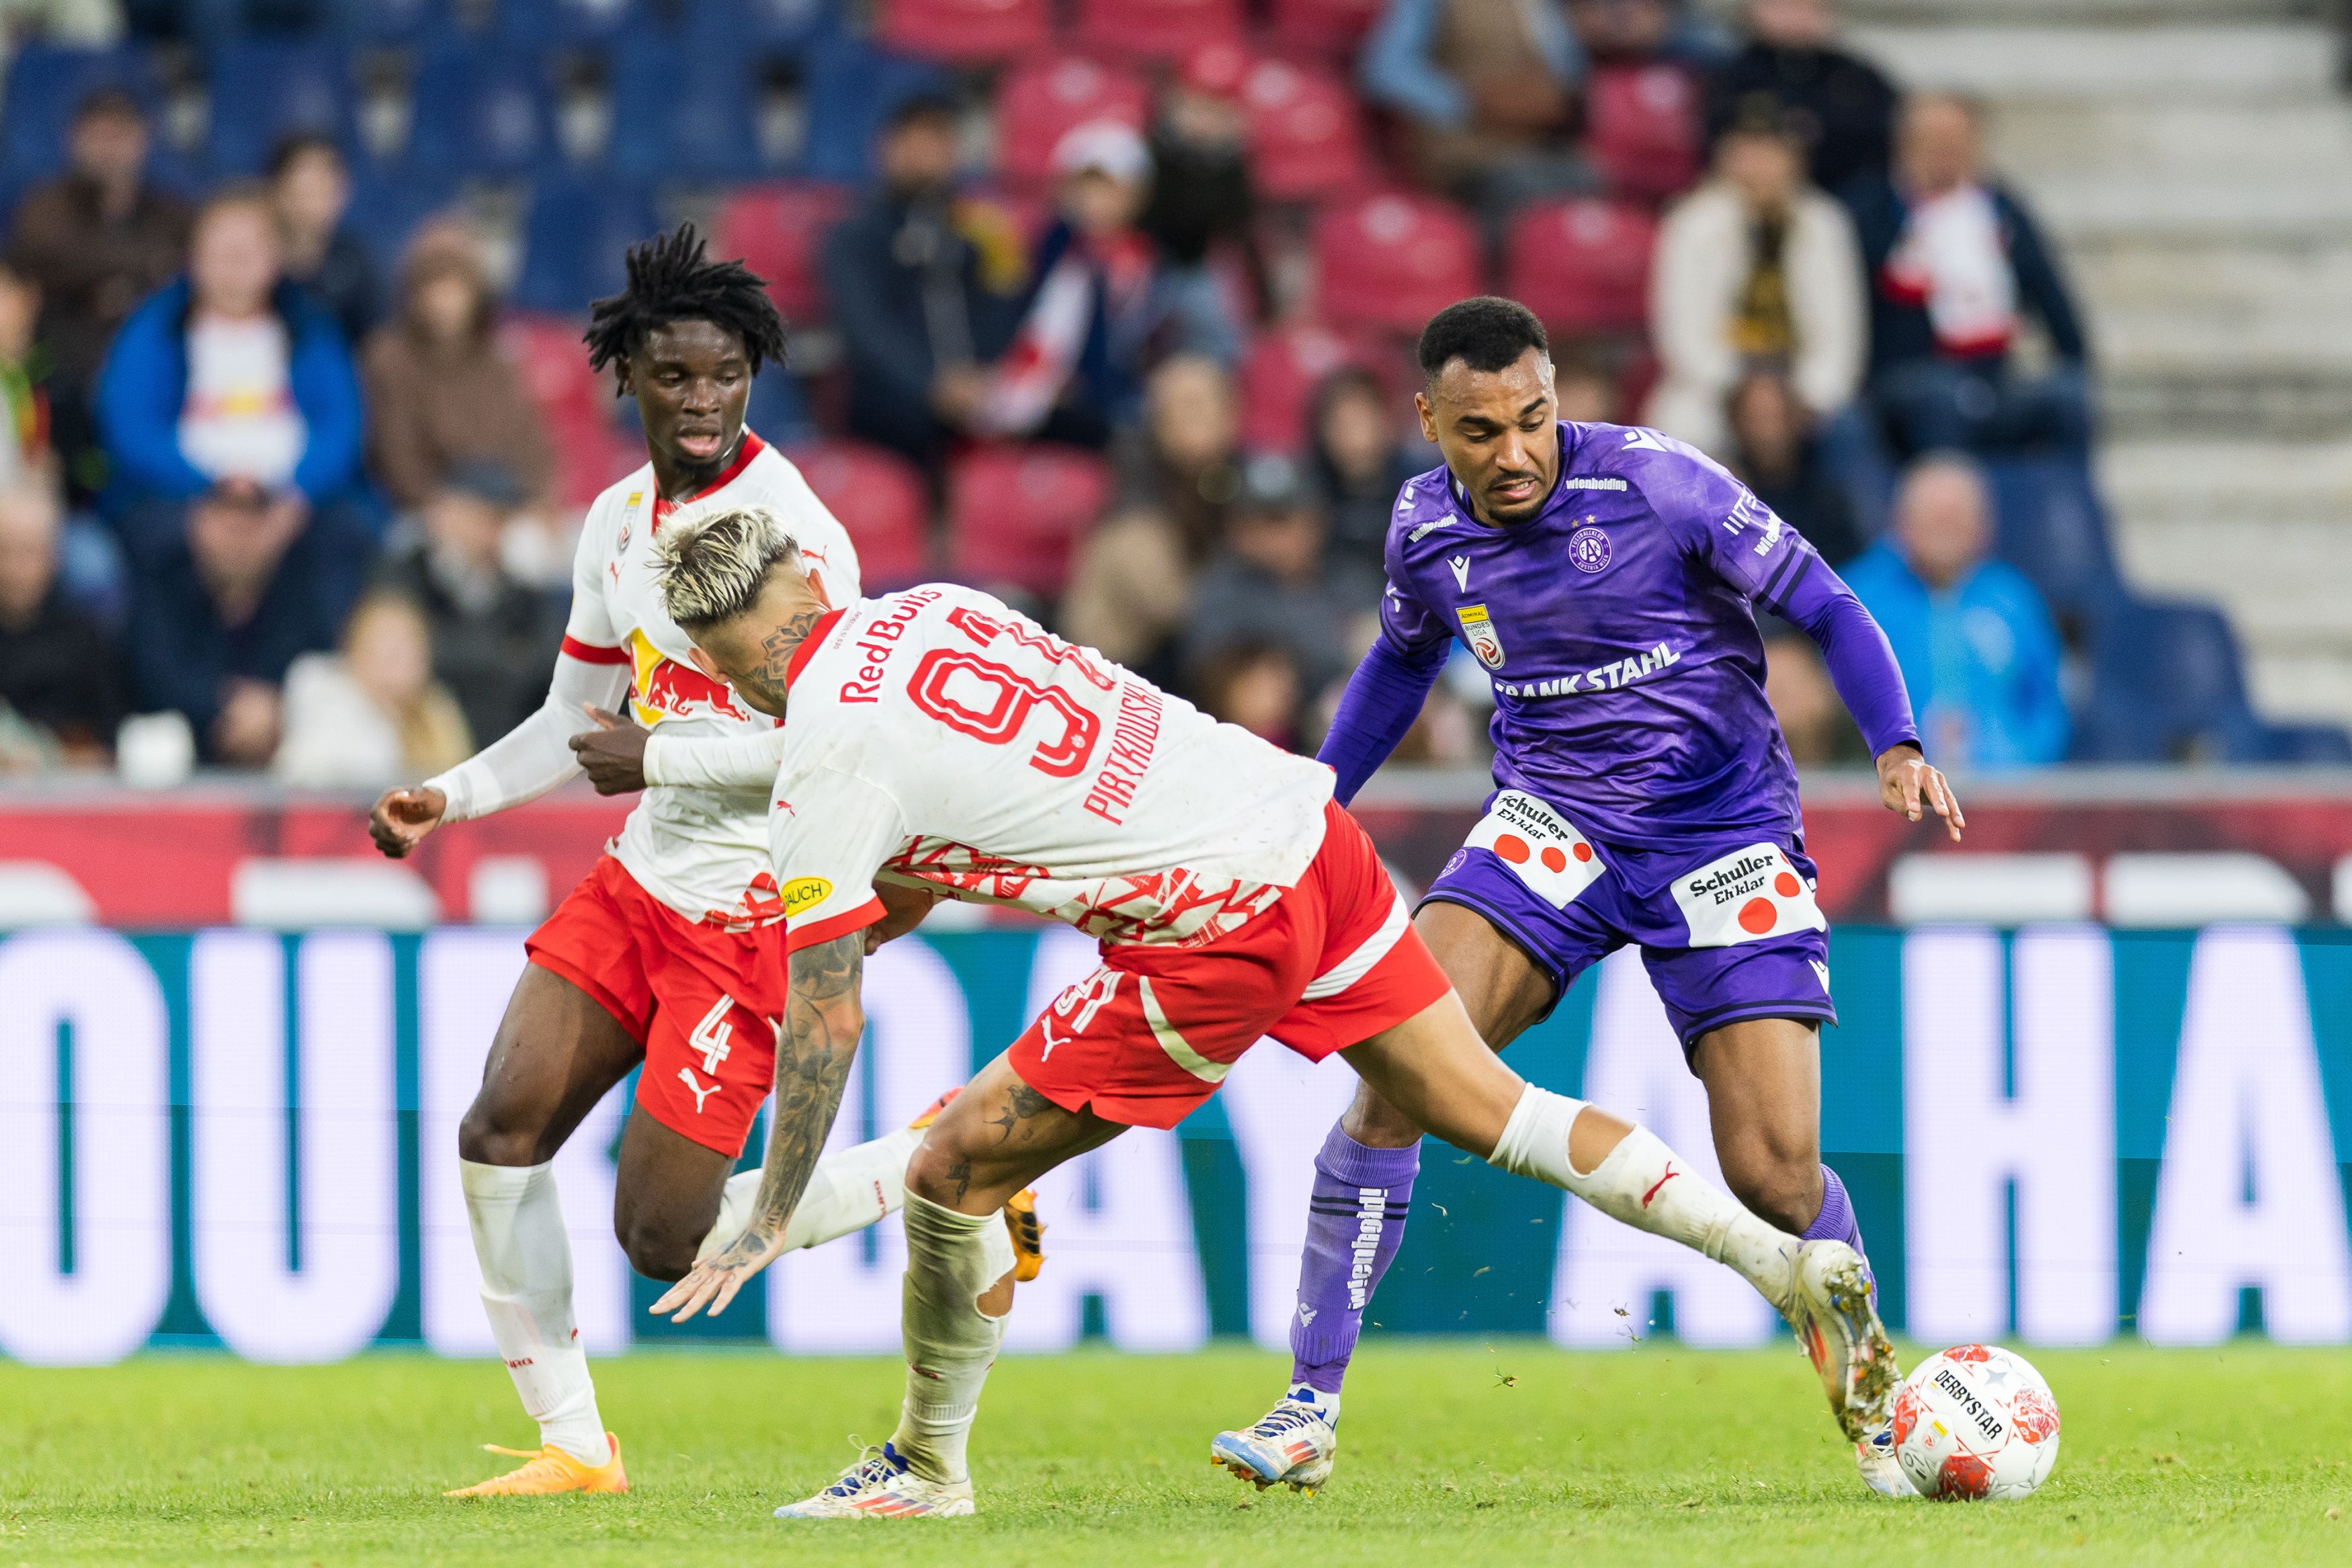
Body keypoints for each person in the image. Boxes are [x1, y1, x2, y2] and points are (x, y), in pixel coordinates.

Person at [638, 507, 1898, 1520]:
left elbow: (827, 1021)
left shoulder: (820, 760)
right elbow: (937, 791)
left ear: (716, 657)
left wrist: (768, 1207)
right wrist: (682, 770)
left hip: (1207, 928)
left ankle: (924, 1470)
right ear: (809, 569)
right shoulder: (931, 608)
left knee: (955, 1166)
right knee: (1497, 1110)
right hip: (1303, 831)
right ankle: (1781, 1260)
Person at [1206, 298, 1961, 1500]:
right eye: (1479, 430)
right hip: (1554, 821)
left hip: (1722, 834)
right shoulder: (1419, 527)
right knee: (1396, 1067)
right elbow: (1406, 658)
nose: (1513, 452)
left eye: (1533, 419)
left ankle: (1872, 1397)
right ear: (1429, 422)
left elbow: (1825, 602)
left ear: (1557, 395)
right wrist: (1320, 796)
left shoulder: (1663, 484)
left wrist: (1896, 738)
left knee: (1774, 1174)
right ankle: (1309, 1403)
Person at [362, 226, 1039, 1498]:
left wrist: (660, 759)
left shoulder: (797, 537)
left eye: (725, 375)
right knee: (497, 1130)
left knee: (663, 1240)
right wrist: (446, 795)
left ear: (752, 375)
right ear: (631, 378)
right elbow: (579, 717)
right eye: (676, 376)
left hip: (752, 903)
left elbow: (837, 743)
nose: (702, 400)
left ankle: (943, 1161)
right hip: (639, 883)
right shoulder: (616, 525)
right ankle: (574, 1443)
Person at [95, 187, 372, 611]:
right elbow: (130, 426)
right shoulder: (156, 329)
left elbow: (341, 425)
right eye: (221, 253)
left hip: (291, 499)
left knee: (347, 538)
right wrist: (203, 496)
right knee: (149, 545)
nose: (234, 268)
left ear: (275, 260)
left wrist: (295, 497)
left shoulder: (310, 329)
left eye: (247, 254)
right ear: (194, 258)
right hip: (179, 497)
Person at [1845, 93, 2091, 458]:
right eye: (1934, 143)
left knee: (2066, 396)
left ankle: (2069, 511)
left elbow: (2050, 294)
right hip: (1905, 379)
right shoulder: (1870, 213)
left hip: (1993, 376)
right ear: (1904, 146)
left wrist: (2074, 361)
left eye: (1958, 144)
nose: (1946, 155)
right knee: (1942, 397)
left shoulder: (2000, 210)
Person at [1644, 105, 1864, 459]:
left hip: (1800, 381)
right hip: (1718, 384)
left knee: (1849, 431)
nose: (1762, 164)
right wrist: (1740, 390)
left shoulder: (1825, 223)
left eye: (1774, 151)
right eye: (1749, 151)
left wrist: (1806, 396)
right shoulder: (1692, 223)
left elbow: (1843, 337)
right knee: (1678, 436)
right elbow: (1680, 336)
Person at [6, 86, 192, 498]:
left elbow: (194, 274)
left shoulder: (173, 212)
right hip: (65, 372)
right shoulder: (44, 206)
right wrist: (143, 274)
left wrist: (102, 285)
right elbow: (48, 255)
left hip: (154, 368)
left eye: (120, 136)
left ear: (143, 138)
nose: (109, 150)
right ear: (74, 139)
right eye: (99, 137)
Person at [822, 93, 1025, 470]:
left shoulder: (982, 229)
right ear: (886, 148)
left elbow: (1003, 310)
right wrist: (933, 384)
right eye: (911, 140)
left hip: (979, 389)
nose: (922, 155)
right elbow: (867, 330)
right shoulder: (855, 234)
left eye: (936, 140)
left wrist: (988, 377)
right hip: (895, 396)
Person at [1841, 455, 2068, 770]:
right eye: (1933, 519)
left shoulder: (2013, 599)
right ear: (1901, 525)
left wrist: (2022, 765)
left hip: (2002, 796)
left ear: (1983, 529)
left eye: (1955, 519)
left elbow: (2048, 702)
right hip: (1883, 794)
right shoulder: (1854, 597)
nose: (1944, 533)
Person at [124, 476, 345, 766]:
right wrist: (229, 708)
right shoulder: (162, 581)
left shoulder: (305, 585)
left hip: (286, 775)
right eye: (226, 513)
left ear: (282, 527)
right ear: (196, 520)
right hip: (173, 777)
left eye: (254, 516)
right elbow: (154, 678)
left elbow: (327, 669)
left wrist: (278, 709)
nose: (239, 530)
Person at [978, 121, 1165, 447]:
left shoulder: (1149, 262)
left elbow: (1146, 343)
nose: (1097, 201)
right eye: (1087, 187)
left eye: (1110, 188)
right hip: (1052, 401)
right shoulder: (1048, 252)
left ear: (1137, 197)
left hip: (1120, 402)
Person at [1059, 352, 1241, 674]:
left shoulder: (1234, 477)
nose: (1198, 420)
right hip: (1121, 665)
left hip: (1204, 651)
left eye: (1206, 405)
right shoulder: (1136, 486)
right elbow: (1173, 608)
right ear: (1160, 420)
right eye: (1185, 407)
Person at [370, 461, 566, 746]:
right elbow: (403, 657)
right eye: (484, 518)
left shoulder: (520, 592)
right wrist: (510, 657)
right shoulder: (404, 575)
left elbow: (556, 662)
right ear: (444, 514)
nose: (492, 536)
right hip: (417, 744)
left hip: (507, 743)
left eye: (503, 521)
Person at [362, 221, 553, 513]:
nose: (444, 302)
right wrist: (439, 508)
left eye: (454, 287)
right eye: (433, 286)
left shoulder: (496, 361)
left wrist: (540, 505)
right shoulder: (388, 357)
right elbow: (397, 457)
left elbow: (532, 448)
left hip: (507, 507)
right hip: (430, 510)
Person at [1182, 453, 1382, 726]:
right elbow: (1213, 678)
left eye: (1279, 520)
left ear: (1316, 522)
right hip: (1262, 744)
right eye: (1252, 520)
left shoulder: (1351, 581)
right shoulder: (1223, 588)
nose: (1265, 535)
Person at [1359, 0, 1589, 218]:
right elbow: (1385, 70)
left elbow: (1571, 73)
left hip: (1541, 145)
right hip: (1467, 153)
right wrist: (1467, 102)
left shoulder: (1546, 6)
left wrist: (1556, 100)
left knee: (1587, 182)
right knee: (1528, 193)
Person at [274, 589, 472, 787]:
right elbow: (310, 778)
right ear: (355, 648)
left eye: (409, 643)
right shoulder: (322, 690)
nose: (399, 654)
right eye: (386, 641)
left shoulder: (436, 710)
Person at [1706, 0, 1898, 193]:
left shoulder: (1856, 76)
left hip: (1845, 191)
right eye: (1782, 5)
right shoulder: (1731, 75)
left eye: (1809, 7)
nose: (1795, 17)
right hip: (1750, 193)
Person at [0, 485, 122, 767]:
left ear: (55, 557)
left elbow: (111, 743)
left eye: (31, 552)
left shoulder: (86, 639)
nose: (17, 568)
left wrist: (49, 757)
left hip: (68, 799)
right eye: (7, 550)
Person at [1727, 368, 1861, 566]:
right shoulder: (1728, 492)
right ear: (1737, 424)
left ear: (1795, 419)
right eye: (1756, 419)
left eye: (1775, 417)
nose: (1767, 433)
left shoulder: (1827, 490)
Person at [268, 132, 379, 350]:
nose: (315, 202)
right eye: (305, 190)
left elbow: (372, 340)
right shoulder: (254, 254)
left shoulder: (355, 260)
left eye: (325, 189)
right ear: (278, 189)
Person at [1310, 365, 1422, 578]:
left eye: (1358, 422)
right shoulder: (1312, 493)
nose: (1349, 437)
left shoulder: (1423, 487)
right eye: (1339, 424)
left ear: (1385, 423)